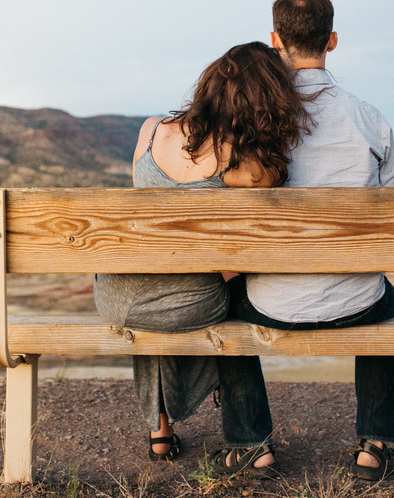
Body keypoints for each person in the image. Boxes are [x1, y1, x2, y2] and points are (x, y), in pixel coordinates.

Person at [210, 0, 394, 481]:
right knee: (388, 296)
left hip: (273, 302)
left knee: (226, 302)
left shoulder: (252, 121)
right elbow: (386, 225)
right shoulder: (371, 120)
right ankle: (374, 444)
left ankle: (252, 444)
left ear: (276, 42)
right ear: (331, 41)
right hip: (358, 300)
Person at [93, 41, 312, 463]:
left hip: (116, 300)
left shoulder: (151, 130)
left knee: (151, 282)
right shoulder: (250, 165)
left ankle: (160, 433)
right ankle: (252, 444)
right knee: (238, 297)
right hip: (190, 304)